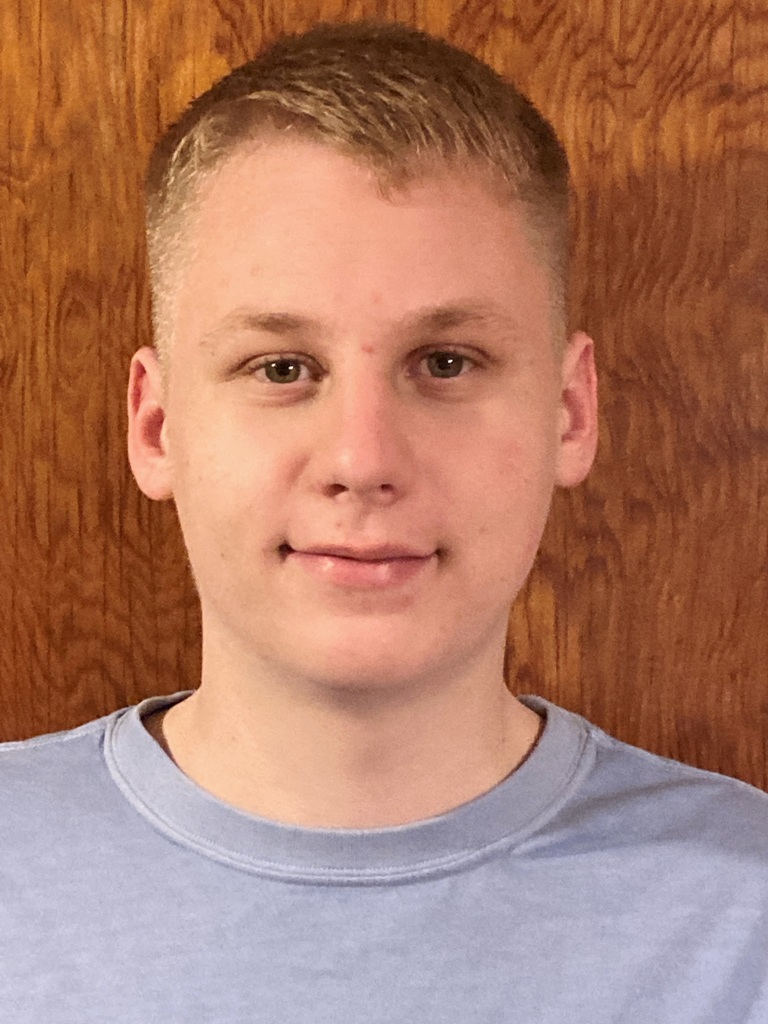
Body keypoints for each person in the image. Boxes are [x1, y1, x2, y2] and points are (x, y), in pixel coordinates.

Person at [2, 21, 766, 1023]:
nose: (362, 461)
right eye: (282, 368)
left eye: (446, 362)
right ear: (157, 428)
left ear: (570, 413)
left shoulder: (744, 923)